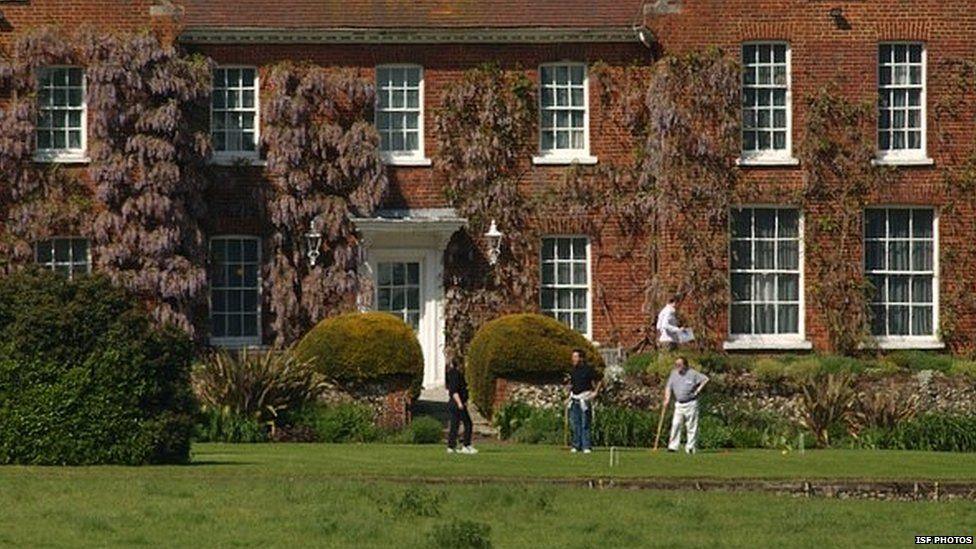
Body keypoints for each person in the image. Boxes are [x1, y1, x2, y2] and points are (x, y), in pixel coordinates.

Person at [663, 356, 709, 454]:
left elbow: (705, 379)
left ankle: (690, 447)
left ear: (685, 365)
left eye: (679, 365)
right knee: (676, 424)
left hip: (691, 403)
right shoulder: (673, 374)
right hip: (679, 404)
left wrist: (698, 390)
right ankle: (673, 447)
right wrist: (667, 399)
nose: (677, 366)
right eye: (676, 365)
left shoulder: (692, 373)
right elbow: (668, 387)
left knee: (691, 426)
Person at [567, 349, 600, 454]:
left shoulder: (588, 369)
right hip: (574, 399)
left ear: (581, 358)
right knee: (574, 424)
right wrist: (568, 397)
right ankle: (576, 445)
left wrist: (595, 392)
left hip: (584, 398)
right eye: (573, 357)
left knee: (585, 423)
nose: (573, 359)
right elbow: (572, 385)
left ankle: (586, 446)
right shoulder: (573, 370)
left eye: (575, 357)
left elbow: (599, 379)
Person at [446, 363, 477, 454]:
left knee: (454, 425)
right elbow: (454, 391)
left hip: (455, 403)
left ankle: (451, 447)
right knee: (468, 423)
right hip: (457, 404)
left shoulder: (452, 374)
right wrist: (460, 403)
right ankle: (466, 445)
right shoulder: (455, 374)